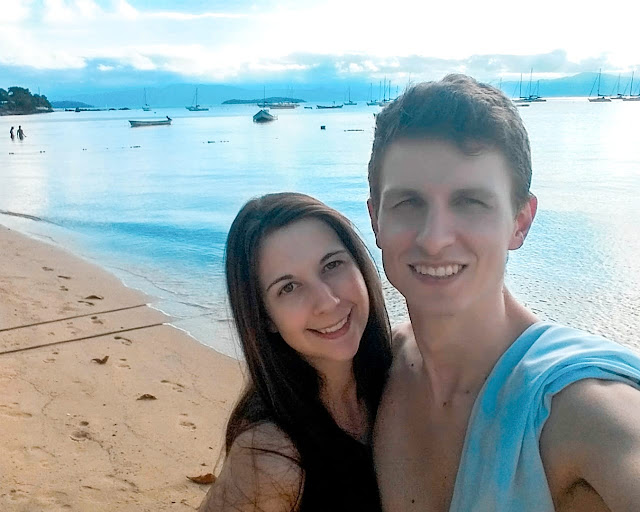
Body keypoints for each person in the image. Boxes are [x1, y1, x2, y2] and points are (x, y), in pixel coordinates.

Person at [367, 74, 640, 511]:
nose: (434, 239)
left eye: (470, 202)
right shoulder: (377, 368)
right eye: (408, 202)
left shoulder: (579, 408)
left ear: (520, 222)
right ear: (376, 220)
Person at [199, 192, 392, 511]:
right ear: (264, 317)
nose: (327, 302)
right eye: (288, 288)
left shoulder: (403, 377)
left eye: (332, 265)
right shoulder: (269, 457)